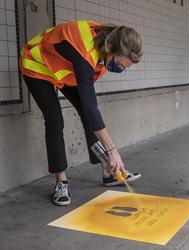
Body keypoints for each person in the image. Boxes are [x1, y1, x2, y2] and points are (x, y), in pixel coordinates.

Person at [19, 20, 143, 206]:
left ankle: (108, 172)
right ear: (110, 47)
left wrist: (110, 154)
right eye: (119, 65)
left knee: (87, 114)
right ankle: (61, 181)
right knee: (55, 119)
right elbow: (92, 108)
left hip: (63, 69)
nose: (120, 70)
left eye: (124, 68)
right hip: (36, 65)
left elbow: (89, 110)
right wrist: (113, 150)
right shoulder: (84, 53)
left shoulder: (107, 42)